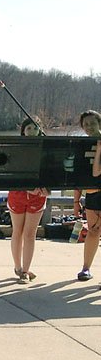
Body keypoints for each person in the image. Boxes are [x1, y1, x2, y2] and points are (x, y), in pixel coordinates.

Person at [8, 118, 49, 284]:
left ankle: (26, 270)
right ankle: (18, 267)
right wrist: (26, 187)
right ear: (23, 130)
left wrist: (46, 188)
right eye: (29, 128)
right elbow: (11, 174)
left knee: (30, 234)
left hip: (38, 197)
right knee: (17, 231)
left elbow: (51, 172)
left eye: (35, 128)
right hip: (18, 195)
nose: (32, 131)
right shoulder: (17, 149)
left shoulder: (45, 149)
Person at [76, 110, 101, 282]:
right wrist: (76, 201)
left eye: (92, 123)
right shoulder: (82, 144)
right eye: (85, 125)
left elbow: (96, 171)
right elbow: (79, 176)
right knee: (93, 231)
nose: (89, 127)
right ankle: (86, 268)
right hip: (92, 194)